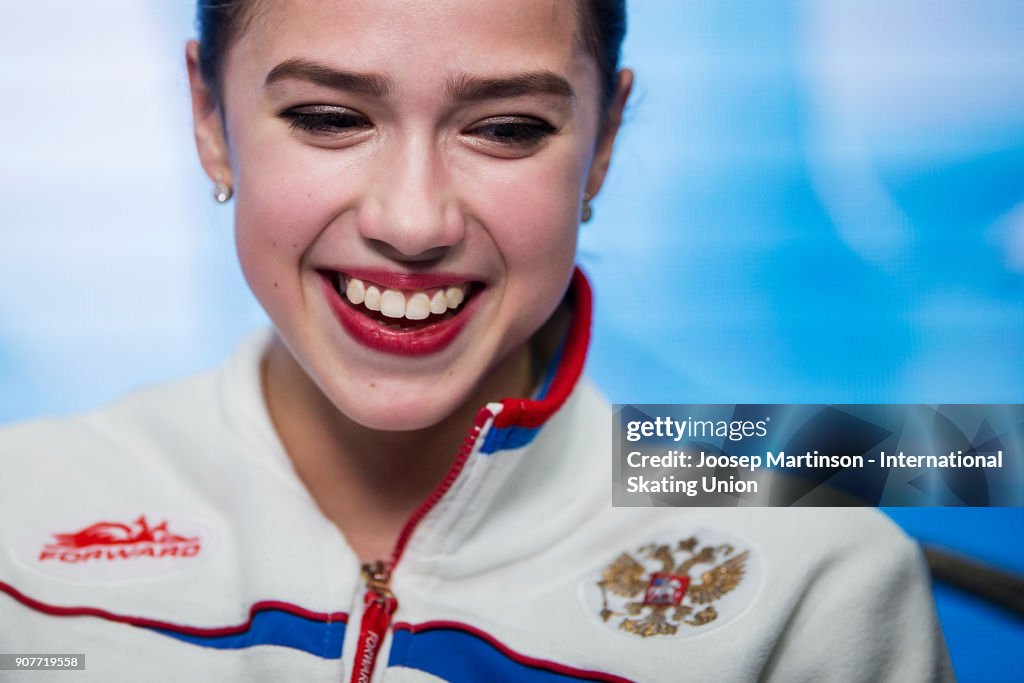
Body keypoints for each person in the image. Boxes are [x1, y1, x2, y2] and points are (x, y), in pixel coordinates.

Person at [0, 1, 952, 681]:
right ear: (210, 119)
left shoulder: (815, 576)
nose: (413, 222)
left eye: (505, 128)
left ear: (606, 140)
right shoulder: (15, 516)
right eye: (329, 118)